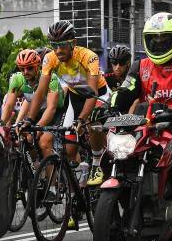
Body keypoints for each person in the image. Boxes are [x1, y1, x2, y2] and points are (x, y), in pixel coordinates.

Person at [109, 12, 172, 233]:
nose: (158, 43)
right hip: (148, 125)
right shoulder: (139, 66)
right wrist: (108, 108)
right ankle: (128, 206)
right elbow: (125, 90)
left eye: (165, 39)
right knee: (114, 157)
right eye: (153, 39)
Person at [24, 21, 110, 188]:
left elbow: (92, 92)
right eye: (54, 45)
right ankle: (78, 184)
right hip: (76, 96)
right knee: (70, 151)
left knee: (93, 122)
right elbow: (40, 92)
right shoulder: (50, 59)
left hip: (98, 94)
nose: (58, 50)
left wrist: (82, 119)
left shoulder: (88, 56)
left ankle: (97, 163)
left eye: (62, 45)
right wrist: (29, 120)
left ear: (73, 43)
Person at [3, 50, 65, 160]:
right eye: (22, 68)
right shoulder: (16, 79)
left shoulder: (50, 77)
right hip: (37, 111)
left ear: (38, 66)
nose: (25, 72)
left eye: (30, 68)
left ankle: (51, 175)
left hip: (57, 111)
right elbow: (8, 105)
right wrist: (2, 125)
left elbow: (51, 108)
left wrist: (38, 127)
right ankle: (35, 170)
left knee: (44, 142)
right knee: (23, 138)